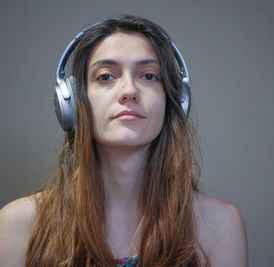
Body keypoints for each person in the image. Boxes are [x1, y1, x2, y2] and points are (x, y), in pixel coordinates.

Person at [0, 16, 248, 267]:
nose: (129, 90)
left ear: (174, 102)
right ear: (73, 103)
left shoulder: (221, 226)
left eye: (149, 76)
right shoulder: (18, 225)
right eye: (106, 76)